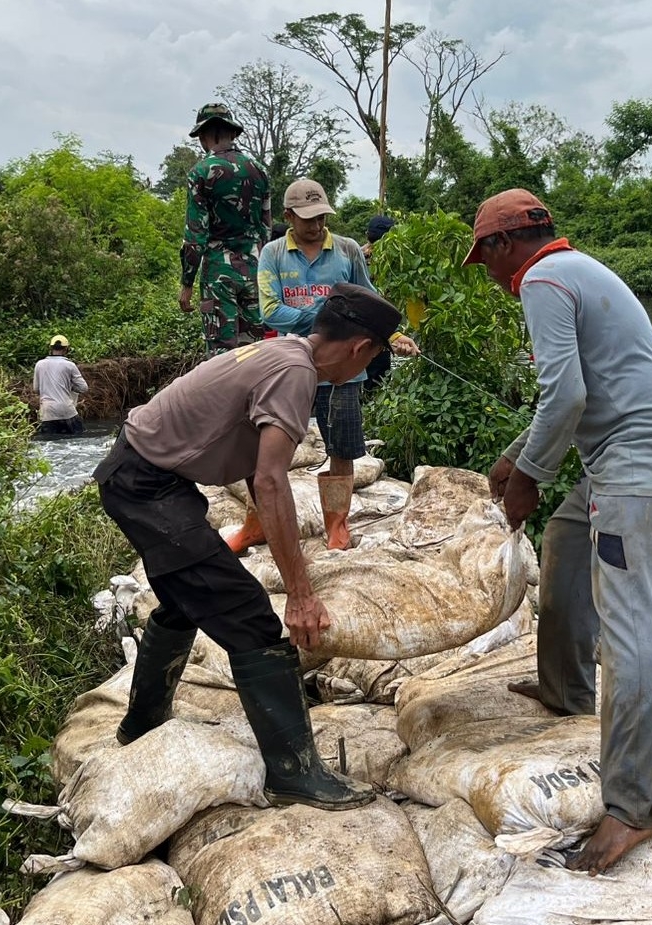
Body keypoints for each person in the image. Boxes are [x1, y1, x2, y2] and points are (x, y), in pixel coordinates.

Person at [462, 189, 652, 875]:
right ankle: (565, 686)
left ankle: (636, 803)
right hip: (632, 451)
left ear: (503, 244)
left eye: (485, 258)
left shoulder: (542, 280)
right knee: (567, 538)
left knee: (630, 628)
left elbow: (565, 395)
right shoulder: (578, 269)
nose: (488, 274)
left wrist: (528, 476)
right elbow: (581, 393)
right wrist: (517, 455)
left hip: (637, 461)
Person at [92, 284, 402, 810]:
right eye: (373, 357)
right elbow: (272, 480)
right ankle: (295, 773)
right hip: (146, 487)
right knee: (251, 617)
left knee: (188, 597)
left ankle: (141, 724)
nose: (367, 367)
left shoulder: (286, 352)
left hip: (145, 478)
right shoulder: (295, 374)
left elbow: (261, 474)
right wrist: (300, 594)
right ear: (360, 347)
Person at [234, 179, 419, 552]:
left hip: (344, 371)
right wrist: (330, 319)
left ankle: (337, 524)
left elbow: (369, 301)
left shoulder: (347, 250)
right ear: (288, 216)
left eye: (322, 217)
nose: (317, 226)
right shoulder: (272, 254)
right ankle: (258, 522)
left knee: (343, 448)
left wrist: (393, 335)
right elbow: (270, 311)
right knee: (265, 448)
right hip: (289, 368)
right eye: (308, 219)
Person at [178, 102, 271, 355]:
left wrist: (187, 283)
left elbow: (195, 236)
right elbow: (266, 229)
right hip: (255, 270)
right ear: (233, 133)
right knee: (254, 351)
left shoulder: (200, 173)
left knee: (222, 354)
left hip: (218, 273)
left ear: (203, 136)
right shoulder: (260, 171)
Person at [361, 215, 396, 396]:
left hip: (362, 329)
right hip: (376, 328)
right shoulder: (391, 260)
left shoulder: (356, 254)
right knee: (377, 380)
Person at [32, 335, 89, 437]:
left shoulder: (39, 364)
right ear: (66, 349)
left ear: (50, 348)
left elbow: (36, 389)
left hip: (47, 412)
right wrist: (70, 387)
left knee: (50, 442)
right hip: (66, 410)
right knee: (78, 439)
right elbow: (83, 388)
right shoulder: (69, 365)